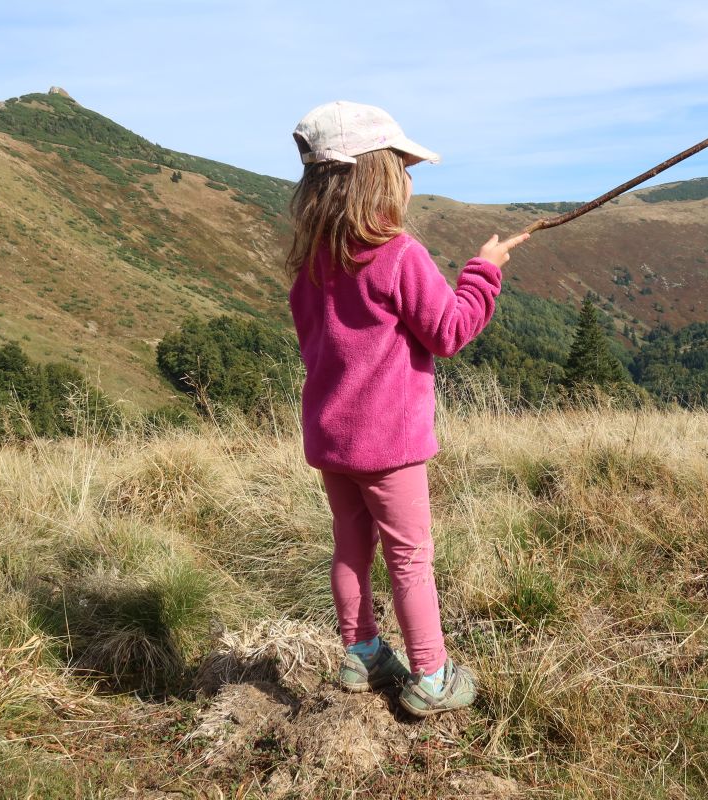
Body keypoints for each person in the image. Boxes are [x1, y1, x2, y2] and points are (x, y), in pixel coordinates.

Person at [286, 101, 529, 717]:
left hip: (331, 441)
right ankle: (432, 676)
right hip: (389, 445)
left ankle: (362, 652)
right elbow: (450, 331)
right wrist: (484, 272)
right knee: (410, 558)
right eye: (402, 164)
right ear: (378, 177)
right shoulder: (398, 254)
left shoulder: (312, 265)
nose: (412, 177)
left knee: (350, 546)